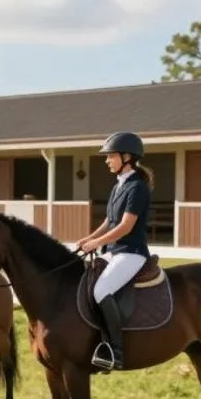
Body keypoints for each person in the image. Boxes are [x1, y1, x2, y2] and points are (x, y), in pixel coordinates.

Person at [77, 131, 153, 371]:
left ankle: (115, 351)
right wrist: (89, 239)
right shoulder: (118, 186)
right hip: (114, 250)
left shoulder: (137, 188)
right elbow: (110, 222)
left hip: (131, 252)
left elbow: (126, 226)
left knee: (101, 290)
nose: (107, 161)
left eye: (110, 157)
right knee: (85, 283)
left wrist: (97, 243)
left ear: (127, 157)